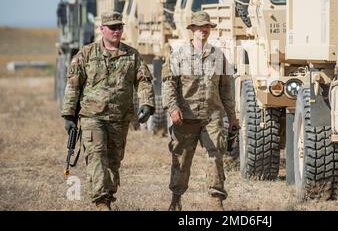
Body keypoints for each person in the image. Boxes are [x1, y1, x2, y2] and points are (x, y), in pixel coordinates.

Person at [61, 11, 155, 211]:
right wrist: (69, 114)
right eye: (112, 27)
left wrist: (146, 104)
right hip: (92, 116)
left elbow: (144, 81)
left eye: (119, 27)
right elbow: (73, 85)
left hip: (119, 118)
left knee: (113, 161)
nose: (117, 31)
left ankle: (108, 197)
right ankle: (101, 201)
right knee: (96, 155)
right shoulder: (86, 54)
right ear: (101, 29)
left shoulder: (132, 55)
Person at [162, 11, 240, 211]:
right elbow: (168, 85)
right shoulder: (178, 55)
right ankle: (176, 198)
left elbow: (226, 89)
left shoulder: (219, 56)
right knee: (181, 159)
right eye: (199, 27)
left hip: (211, 117)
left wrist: (232, 117)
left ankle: (216, 200)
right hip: (185, 119)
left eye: (207, 27)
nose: (204, 30)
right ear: (192, 30)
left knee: (215, 156)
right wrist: (172, 108)